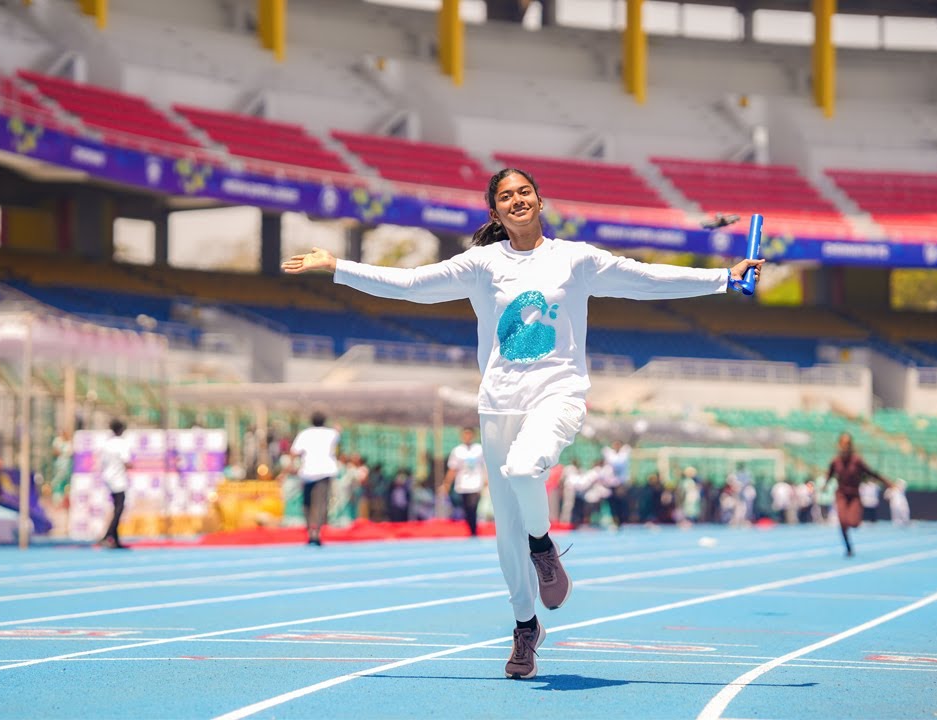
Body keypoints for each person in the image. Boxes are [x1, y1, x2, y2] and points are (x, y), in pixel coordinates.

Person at [282, 167, 763, 680]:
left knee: (525, 468)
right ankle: (526, 626)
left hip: (558, 395)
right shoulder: (482, 265)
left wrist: (722, 277)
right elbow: (411, 284)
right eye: (506, 196)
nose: (517, 200)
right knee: (504, 535)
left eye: (524, 192)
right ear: (496, 212)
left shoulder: (573, 259)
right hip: (498, 405)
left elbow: (642, 277)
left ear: (539, 200)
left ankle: (544, 547)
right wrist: (337, 265)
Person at [827, 432, 893, 557]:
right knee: (842, 522)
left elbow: (871, 472)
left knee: (854, 523)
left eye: (847, 444)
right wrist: (825, 485)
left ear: (851, 445)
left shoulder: (857, 460)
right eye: (843, 443)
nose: (845, 446)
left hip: (854, 494)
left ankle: (854, 522)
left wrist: (886, 482)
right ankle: (848, 547)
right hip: (841, 494)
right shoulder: (835, 461)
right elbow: (829, 474)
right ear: (839, 445)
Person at [289, 411, 340, 546]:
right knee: (320, 503)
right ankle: (316, 530)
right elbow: (338, 433)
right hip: (324, 471)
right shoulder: (331, 433)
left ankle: (311, 529)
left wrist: (291, 465)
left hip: (308, 472)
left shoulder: (305, 434)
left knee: (308, 503)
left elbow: (294, 452)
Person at [443, 427, 487, 537]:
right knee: (467, 509)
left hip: (476, 484)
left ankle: (474, 529)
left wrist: (486, 479)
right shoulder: (457, 451)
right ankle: (471, 528)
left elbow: (485, 466)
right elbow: (452, 469)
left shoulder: (479, 449)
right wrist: (447, 483)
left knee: (473, 507)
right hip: (463, 485)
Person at [97, 419, 132, 549]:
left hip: (108, 478)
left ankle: (115, 540)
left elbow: (102, 461)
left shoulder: (107, 444)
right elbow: (126, 461)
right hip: (118, 479)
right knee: (119, 508)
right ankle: (108, 535)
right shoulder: (122, 444)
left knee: (116, 507)